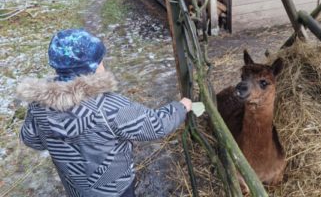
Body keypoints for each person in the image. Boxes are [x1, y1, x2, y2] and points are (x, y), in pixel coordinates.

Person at [17, 29, 194, 197]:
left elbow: (31, 139)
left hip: (75, 188)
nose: (103, 63)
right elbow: (155, 125)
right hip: (114, 189)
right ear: (91, 68)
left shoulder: (38, 105)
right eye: (99, 60)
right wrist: (180, 108)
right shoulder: (108, 107)